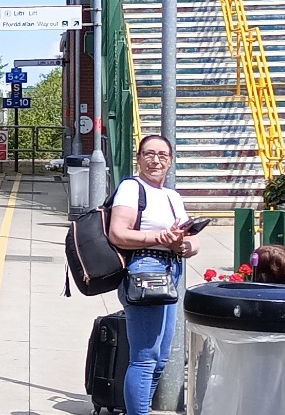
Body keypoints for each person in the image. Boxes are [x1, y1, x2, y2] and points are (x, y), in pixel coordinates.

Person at [107, 134, 201, 415]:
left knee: (160, 358)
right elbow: (118, 233)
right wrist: (160, 237)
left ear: (170, 161)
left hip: (171, 271)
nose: (155, 160)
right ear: (139, 158)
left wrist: (184, 245)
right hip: (145, 270)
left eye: (162, 155)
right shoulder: (131, 188)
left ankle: (141, 408)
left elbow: (191, 241)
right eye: (149, 154)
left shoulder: (172, 195)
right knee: (145, 359)